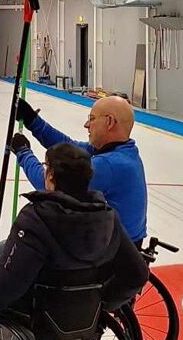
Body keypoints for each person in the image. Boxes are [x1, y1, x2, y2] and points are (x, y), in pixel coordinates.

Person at [0, 142, 148, 335]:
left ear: (50, 175)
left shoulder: (37, 218)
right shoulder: (108, 217)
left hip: (40, 318)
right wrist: (102, 304)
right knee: (3, 250)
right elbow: (137, 272)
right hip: (83, 317)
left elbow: (6, 286)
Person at [10, 94, 148, 245]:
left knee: (7, 249)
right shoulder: (121, 150)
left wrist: (23, 152)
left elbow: (50, 184)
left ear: (109, 122)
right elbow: (69, 147)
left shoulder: (110, 164)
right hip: (116, 243)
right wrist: (32, 121)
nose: (87, 124)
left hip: (113, 254)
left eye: (92, 118)